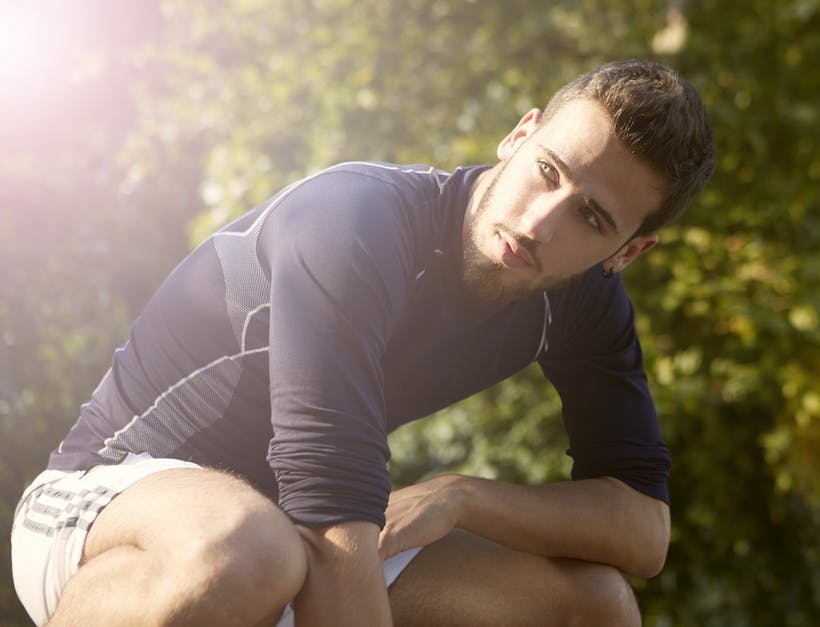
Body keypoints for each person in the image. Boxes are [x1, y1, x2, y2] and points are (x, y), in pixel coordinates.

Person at [10, 58, 714, 626]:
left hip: (297, 534)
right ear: (520, 135)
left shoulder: (585, 304)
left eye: (590, 217)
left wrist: (462, 494)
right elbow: (328, 500)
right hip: (103, 511)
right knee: (249, 552)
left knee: (592, 607)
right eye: (549, 171)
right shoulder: (357, 220)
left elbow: (641, 529)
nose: (539, 222)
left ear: (629, 250)